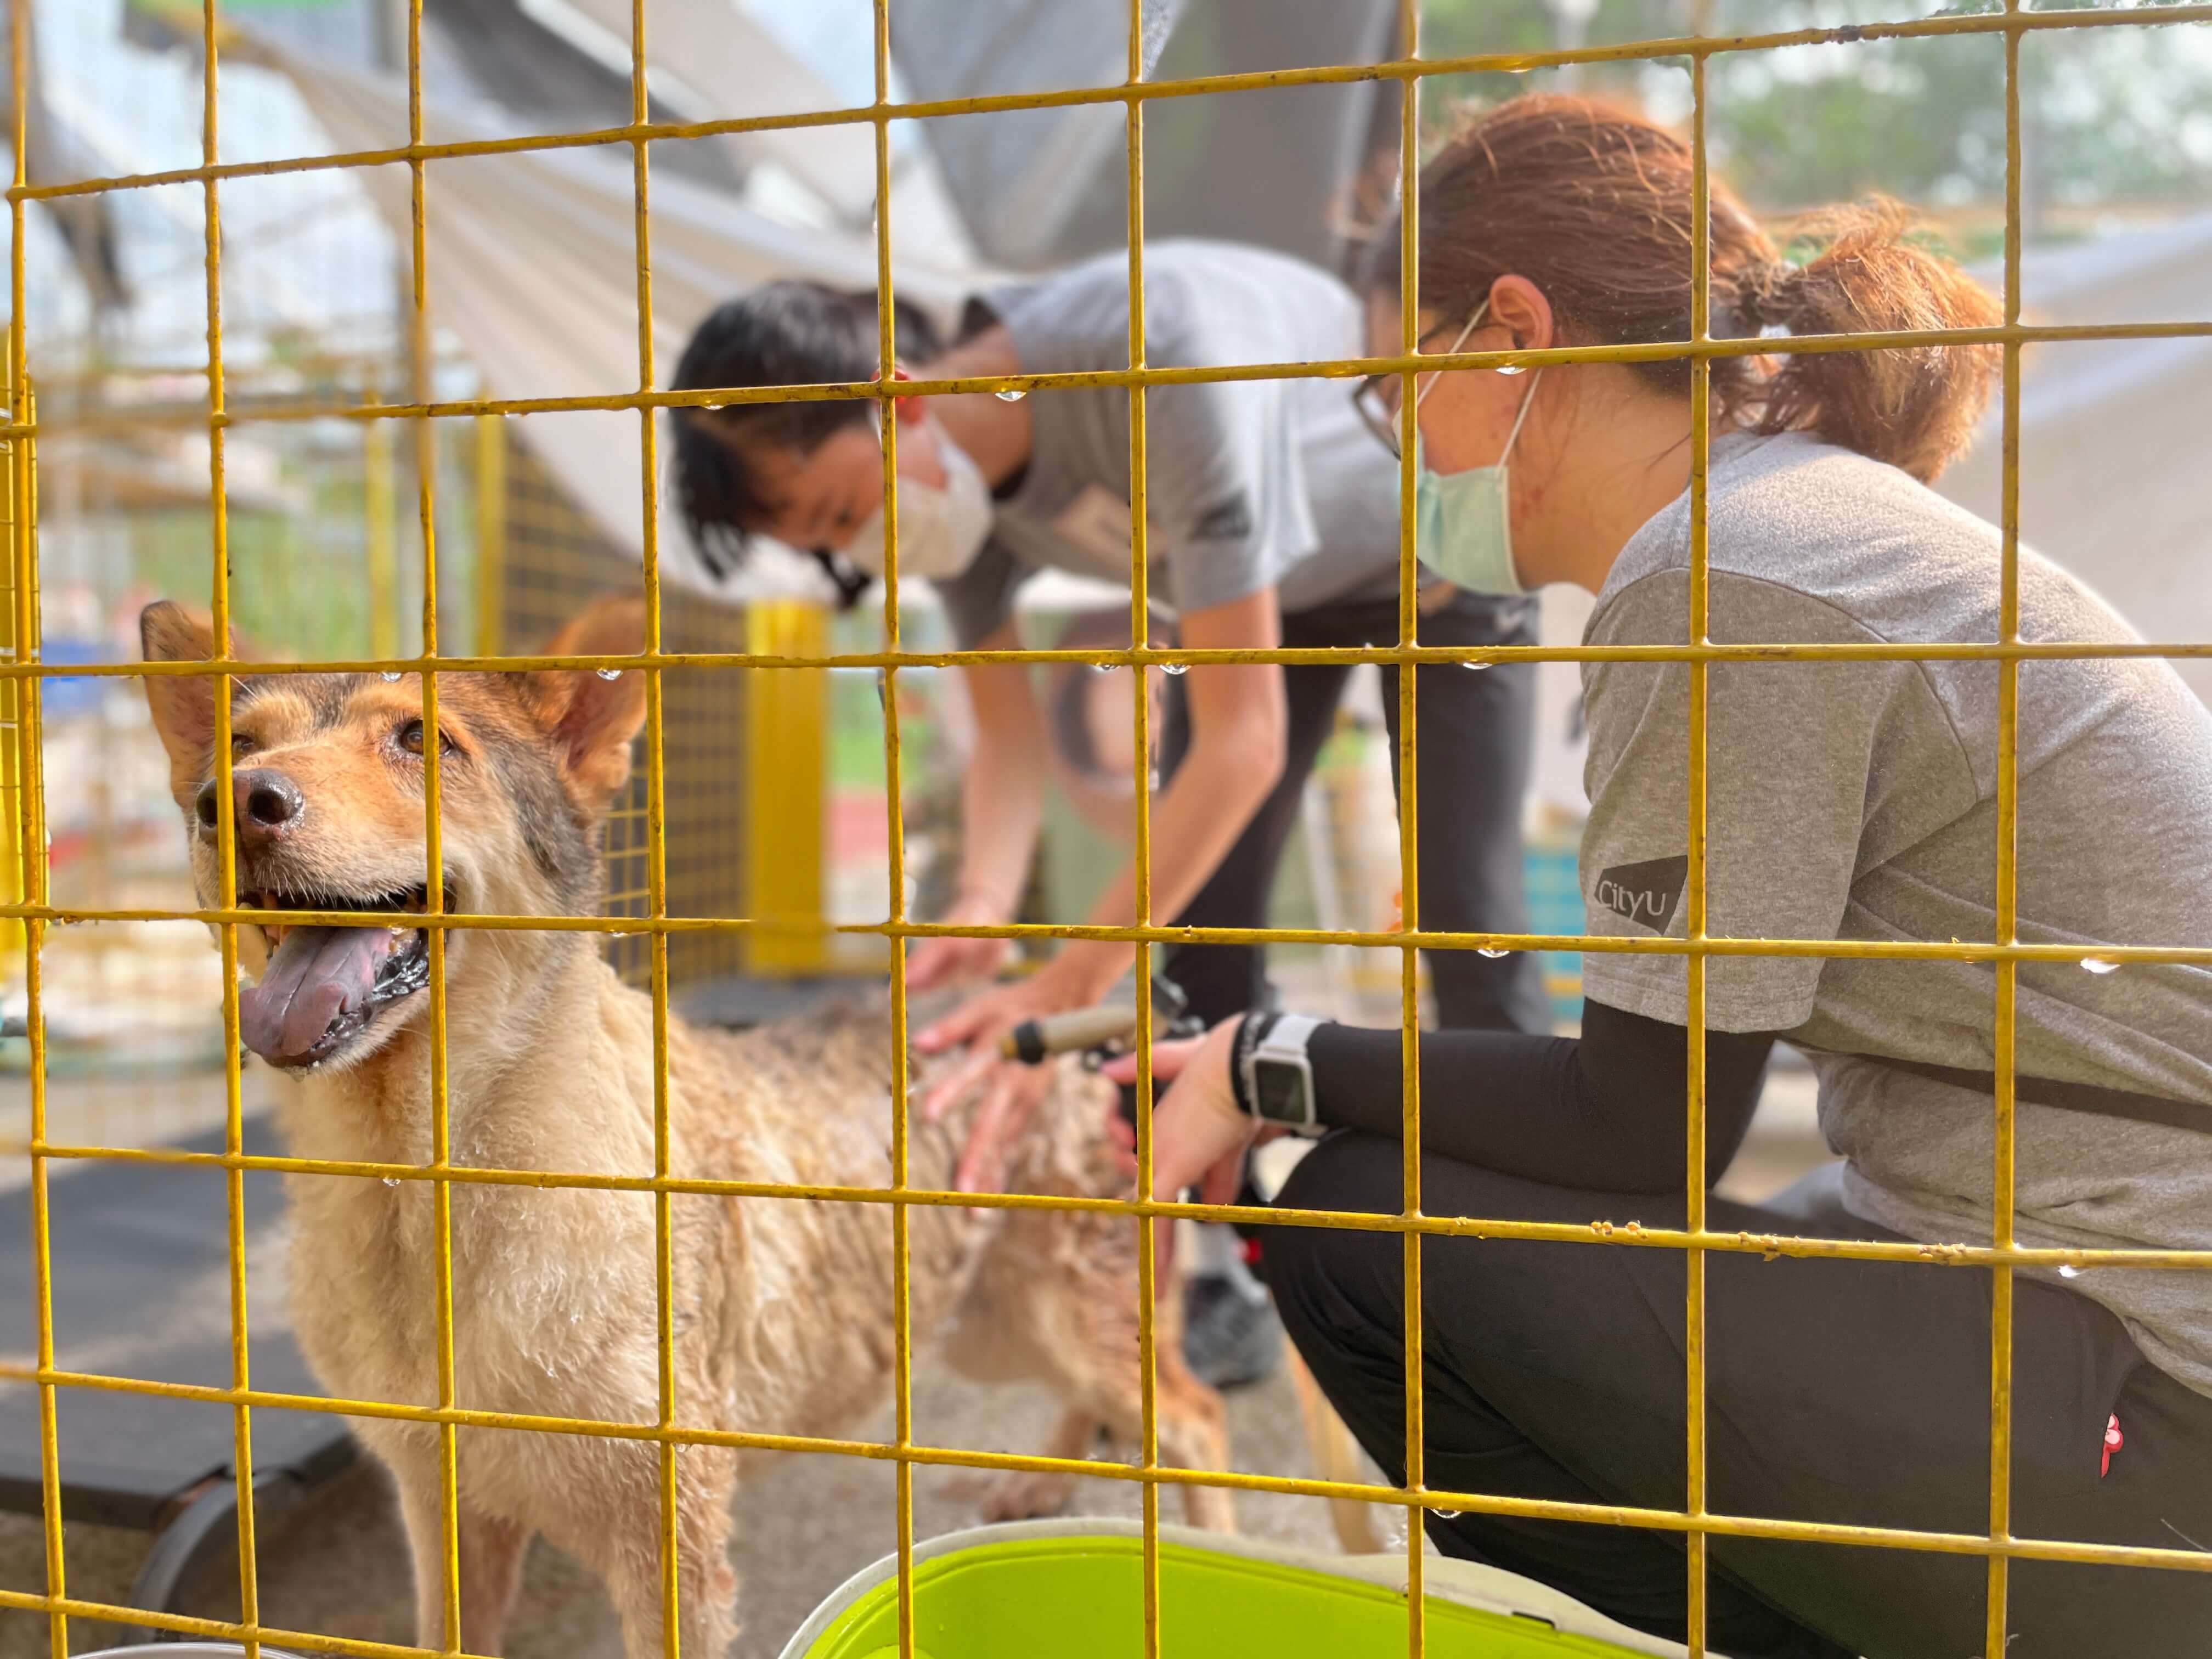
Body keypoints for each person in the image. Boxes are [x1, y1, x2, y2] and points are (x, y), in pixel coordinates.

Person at [1133, 94, 2212, 1659]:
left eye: (1392, 392)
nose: (1403, 452)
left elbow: (1647, 1127)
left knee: (1361, 1230)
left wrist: (1264, 1060)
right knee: (1685, 1227)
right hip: (2086, 1291)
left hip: (2153, 1374)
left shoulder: (1725, 571)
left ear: (1510, 333)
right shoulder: (1791, 519)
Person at [670, 241, 1551, 1386]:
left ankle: (1534, 1264)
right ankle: (1242, 1272)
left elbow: (1242, 743)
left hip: (1436, 566)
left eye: (846, 508)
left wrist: (1071, 980)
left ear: (898, 394)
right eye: (834, 543)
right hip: (1267, 600)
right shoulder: (950, 506)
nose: (868, 544)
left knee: (1467, 915)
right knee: (1199, 943)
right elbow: (1007, 741)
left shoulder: (1157, 356)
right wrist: (983, 905)